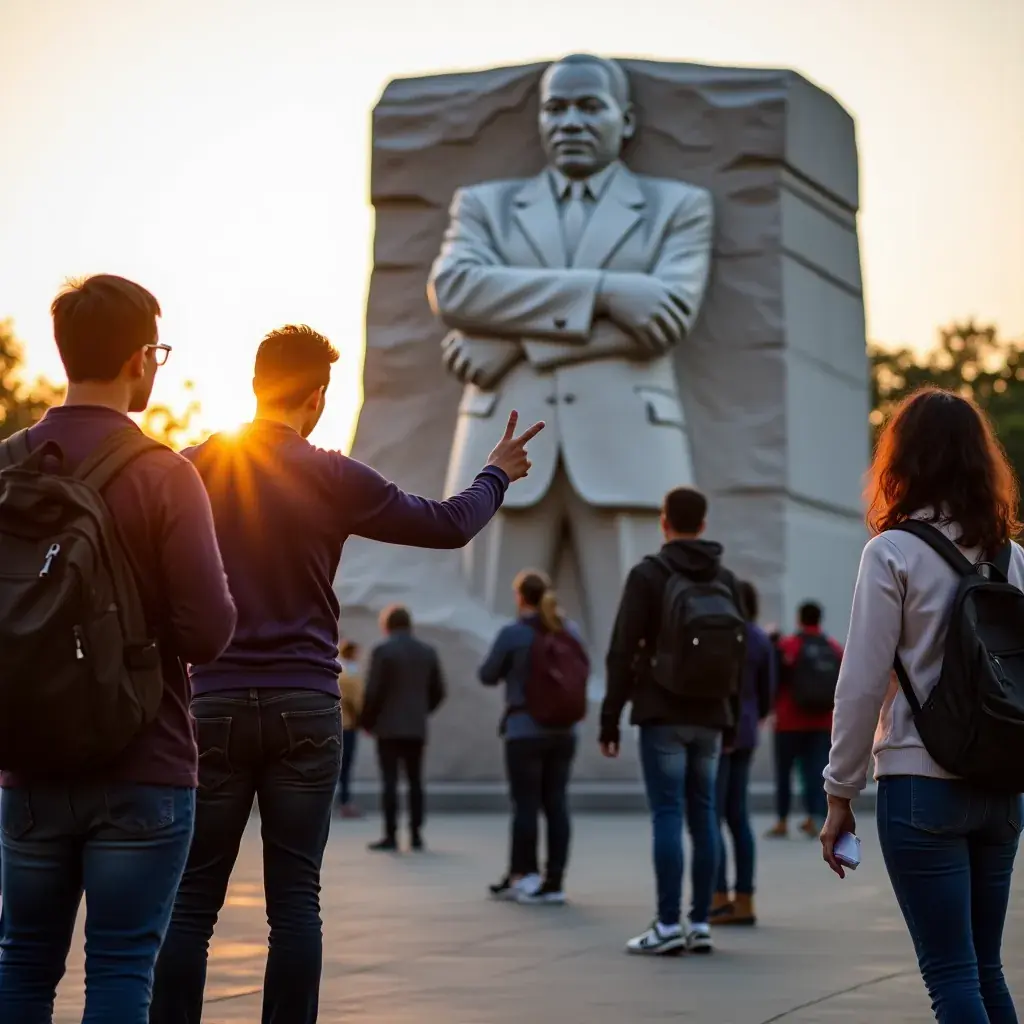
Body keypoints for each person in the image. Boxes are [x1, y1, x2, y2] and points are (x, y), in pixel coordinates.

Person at [150, 325, 543, 1024]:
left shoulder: (196, 467)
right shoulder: (332, 475)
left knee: (192, 900)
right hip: (305, 701)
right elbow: (448, 525)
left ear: (255, 385)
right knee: (294, 901)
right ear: (318, 397)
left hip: (212, 701)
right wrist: (496, 474)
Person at [428, 54, 714, 689]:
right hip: (501, 450)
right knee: (493, 644)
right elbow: (455, 289)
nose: (570, 122)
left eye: (590, 106)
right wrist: (610, 290)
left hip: (629, 448)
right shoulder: (485, 206)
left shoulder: (678, 207)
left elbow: (665, 316)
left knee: (639, 641)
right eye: (555, 108)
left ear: (626, 119)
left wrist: (509, 345)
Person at [0, 275, 237, 1023]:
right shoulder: (165, 474)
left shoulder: (6, 464)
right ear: (140, 359)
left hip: (27, 761)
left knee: (21, 964)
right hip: (143, 758)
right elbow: (208, 632)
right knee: (121, 967)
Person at [821, 387, 1024, 1023]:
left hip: (921, 782)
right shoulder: (1013, 557)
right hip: (1002, 783)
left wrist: (839, 793)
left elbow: (861, 683)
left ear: (902, 460)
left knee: (951, 976)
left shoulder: (892, 552)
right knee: (985, 969)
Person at [600, 486, 744, 956]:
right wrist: (731, 719)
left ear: (664, 523)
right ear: (703, 524)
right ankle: (700, 923)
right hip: (712, 716)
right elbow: (739, 656)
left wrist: (610, 718)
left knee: (667, 813)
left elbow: (622, 650)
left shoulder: (648, 575)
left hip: (661, 712)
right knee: (705, 815)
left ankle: (666, 926)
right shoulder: (726, 578)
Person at [479, 570, 583, 905]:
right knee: (557, 803)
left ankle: (524, 876)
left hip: (524, 730)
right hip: (565, 731)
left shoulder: (514, 633)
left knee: (525, 805)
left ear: (520, 597)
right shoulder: (569, 630)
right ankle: (554, 881)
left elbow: (487, 674)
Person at [710, 580, 776, 926]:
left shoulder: (720, 635)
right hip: (747, 731)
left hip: (719, 730)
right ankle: (745, 899)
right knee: (738, 817)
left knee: (712, 815)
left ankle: (718, 897)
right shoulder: (759, 638)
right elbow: (768, 691)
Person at [361, 605, 446, 852]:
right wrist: (421, 710)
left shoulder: (382, 650)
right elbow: (439, 691)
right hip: (416, 727)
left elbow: (373, 691)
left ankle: (390, 834)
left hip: (387, 727)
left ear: (386, 625)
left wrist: (367, 721)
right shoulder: (427, 651)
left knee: (389, 781)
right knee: (415, 781)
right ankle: (417, 834)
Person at [765, 601, 842, 839]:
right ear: (820, 619)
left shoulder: (789, 645)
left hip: (788, 720)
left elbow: (774, 679)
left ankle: (782, 821)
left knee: (784, 773)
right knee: (816, 771)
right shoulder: (834, 648)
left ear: (800, 619)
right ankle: (814, 817)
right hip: (821, 721)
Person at [338, 639, 365, 818]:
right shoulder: (352, 674)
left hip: (334, 723)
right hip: (348, 725)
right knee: (346, 766)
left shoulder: (336, 671)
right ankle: (345, 803)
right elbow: (358, 702)